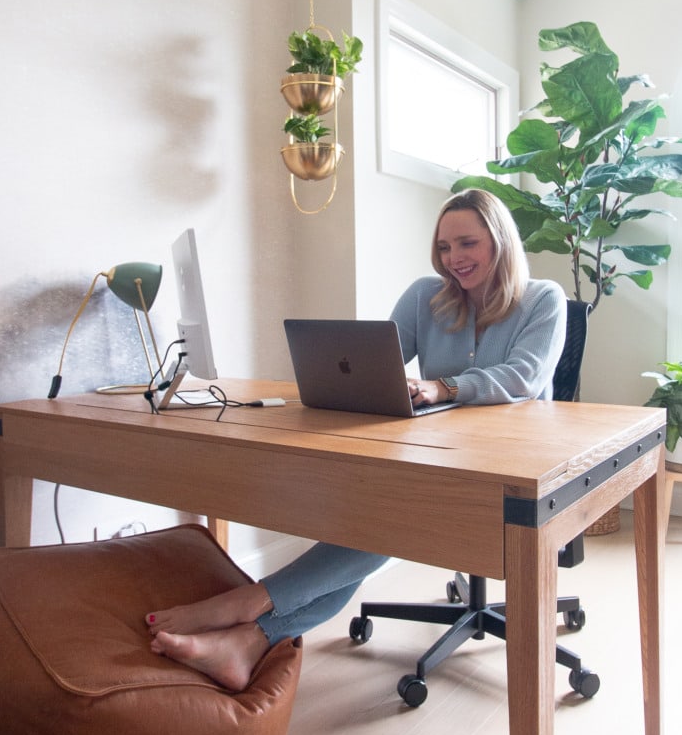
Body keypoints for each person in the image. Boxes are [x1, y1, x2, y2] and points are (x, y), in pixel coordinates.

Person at [146, 189, 567, 690]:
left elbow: (522, 376)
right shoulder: (424, 297)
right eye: (445, 247)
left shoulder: (544, 299)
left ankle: (252, 602)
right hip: (441, 455)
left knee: (385, 521)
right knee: (369, 518)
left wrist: (443, 386)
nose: (454, 259)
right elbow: (376, 358)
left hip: (513, 471)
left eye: (468, 243)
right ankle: (250, 639)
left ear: (500, 242)